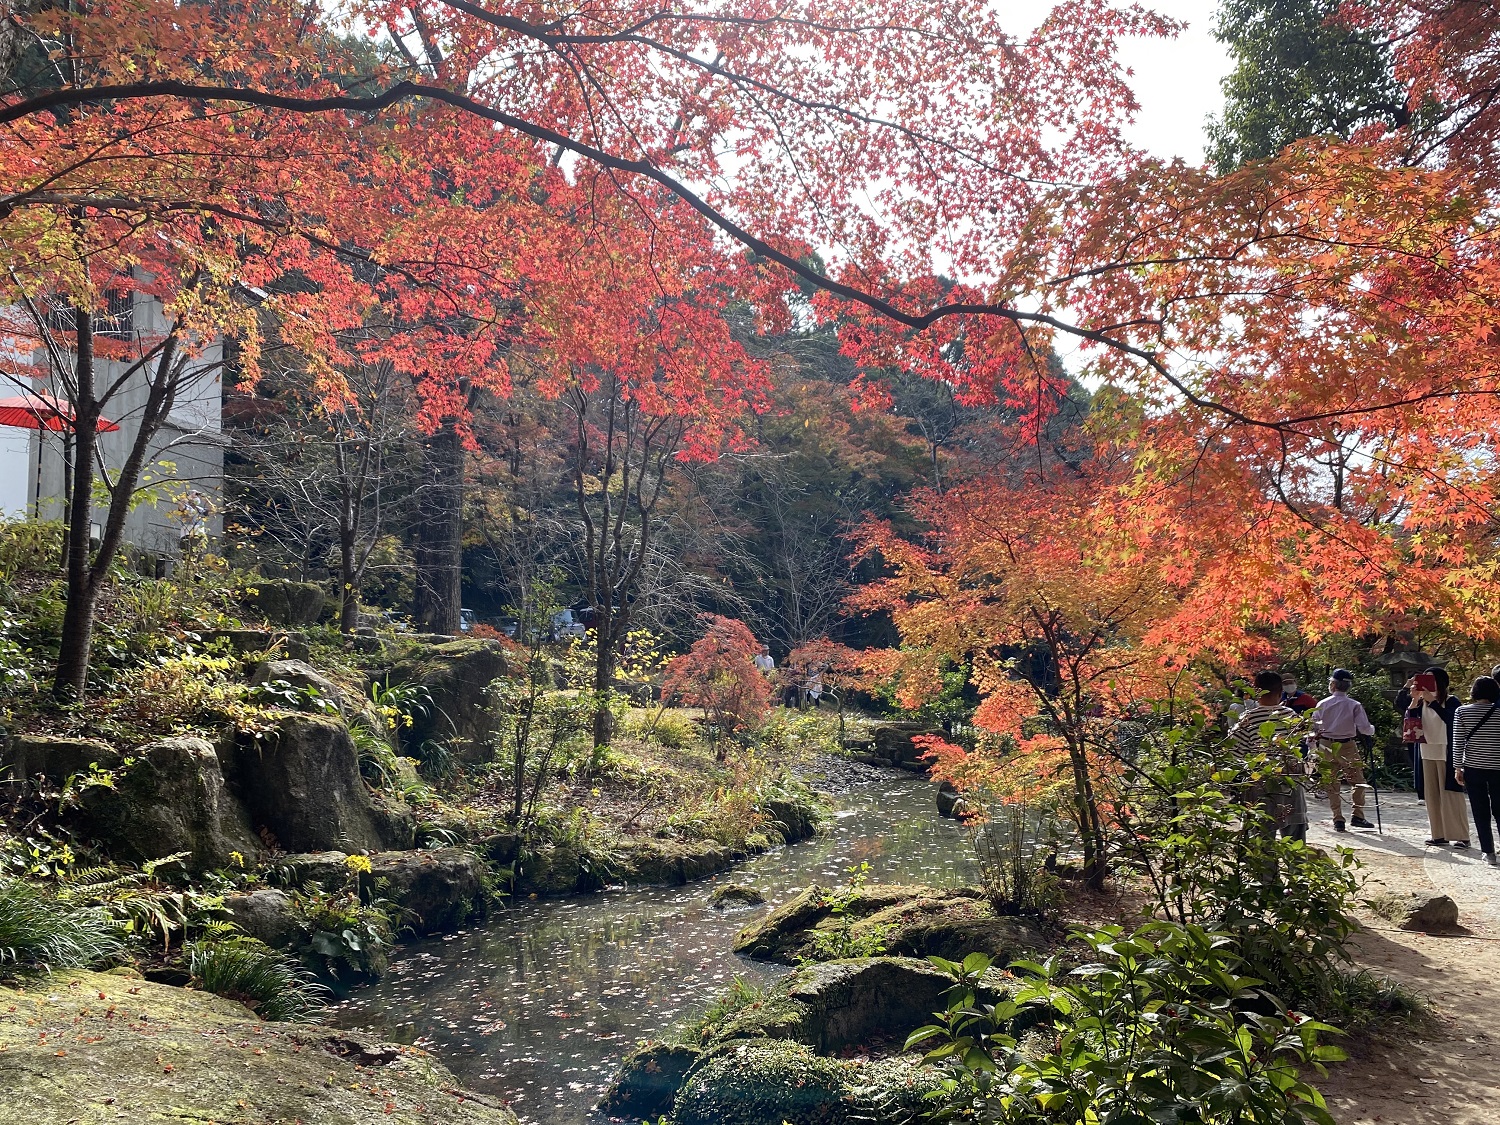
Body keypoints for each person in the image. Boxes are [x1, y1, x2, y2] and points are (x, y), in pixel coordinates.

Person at [1230, 670, 1308, 840]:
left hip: (1260, 783)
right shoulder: (1291, 716)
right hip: (1291, 781)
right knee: (1295, 842)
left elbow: (1236, 754)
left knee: (1262, 841)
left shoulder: (1246, 719)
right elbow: (1302, 747)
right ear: (1281, 693)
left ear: (1256, 693)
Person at [1407, 668, 1470, 848]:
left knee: (1451, 795)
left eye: (1431, 680)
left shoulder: (1451, 701)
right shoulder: (1420, 702)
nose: (1427, 683)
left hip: (1446, 752)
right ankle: (1439, 835)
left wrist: (1433, 702)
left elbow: (1452, 721)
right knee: (1432, 795)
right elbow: (1410, 724)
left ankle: (1461, 836)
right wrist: (1414, 699)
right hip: (1426, 751)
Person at [1311, 669, 1375, 832]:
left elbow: (1314, 727)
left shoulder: (1322, 704)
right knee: (1358, 781)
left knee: (1332, 782)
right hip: (1347, 745)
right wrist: (1372, 730)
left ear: (1332, 684)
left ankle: (1337, 818)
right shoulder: (1354, 705)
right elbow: (1364, 728)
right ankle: (1358, 815)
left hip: (1326, 744)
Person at [1454, 676, 1500, 866]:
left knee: (1480, 811)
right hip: (1498, 768)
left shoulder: (1462, 712)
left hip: (1473, 767)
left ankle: (1488, 853)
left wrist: (1457, 767)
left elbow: (1458, 742)